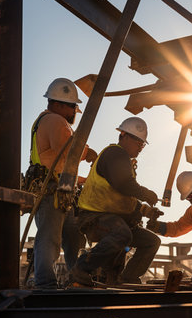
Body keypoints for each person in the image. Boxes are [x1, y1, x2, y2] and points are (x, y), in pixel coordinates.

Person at [69, 116, 161, 286]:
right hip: (93, 216)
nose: (140, 147)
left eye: (142, 144)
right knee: (122, 234)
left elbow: (124, 198)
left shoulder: (124, 162)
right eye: (137, 141)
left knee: (151, 241)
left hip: (111, 219)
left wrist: (145, 210)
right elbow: (123, 184)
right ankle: (81, 269)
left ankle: (126, 278)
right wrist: (145, 193)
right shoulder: (115, 153)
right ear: (123, 135)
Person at [29, 78, 97, 289]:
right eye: (72, 106)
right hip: (51, 191)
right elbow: (68, 151)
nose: (75, 111)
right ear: (58, 104)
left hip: (59, 190)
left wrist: (84, 180)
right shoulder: (55, 121)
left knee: (72, 236)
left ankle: (75, 277)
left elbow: (58, 163)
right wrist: (88, 153)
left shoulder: (48, 121)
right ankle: (45, 283)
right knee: (50, 238)